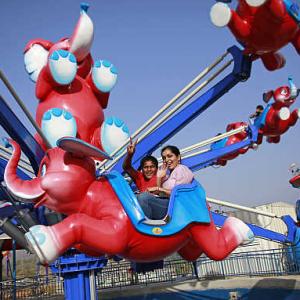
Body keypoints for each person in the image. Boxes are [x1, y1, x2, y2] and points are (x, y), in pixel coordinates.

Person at [137, 145, 194, 220]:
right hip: (166, 204)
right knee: (137, 197)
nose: (167, 159)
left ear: (178, 157)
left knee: (144, 197)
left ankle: (146, 225)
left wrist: (159, 189)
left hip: (174, 207)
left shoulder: (181, 169)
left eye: (170, 156)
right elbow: (160, 194)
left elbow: (179, 194)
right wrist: (159, 178)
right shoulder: (170, 174)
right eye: (164, 158)